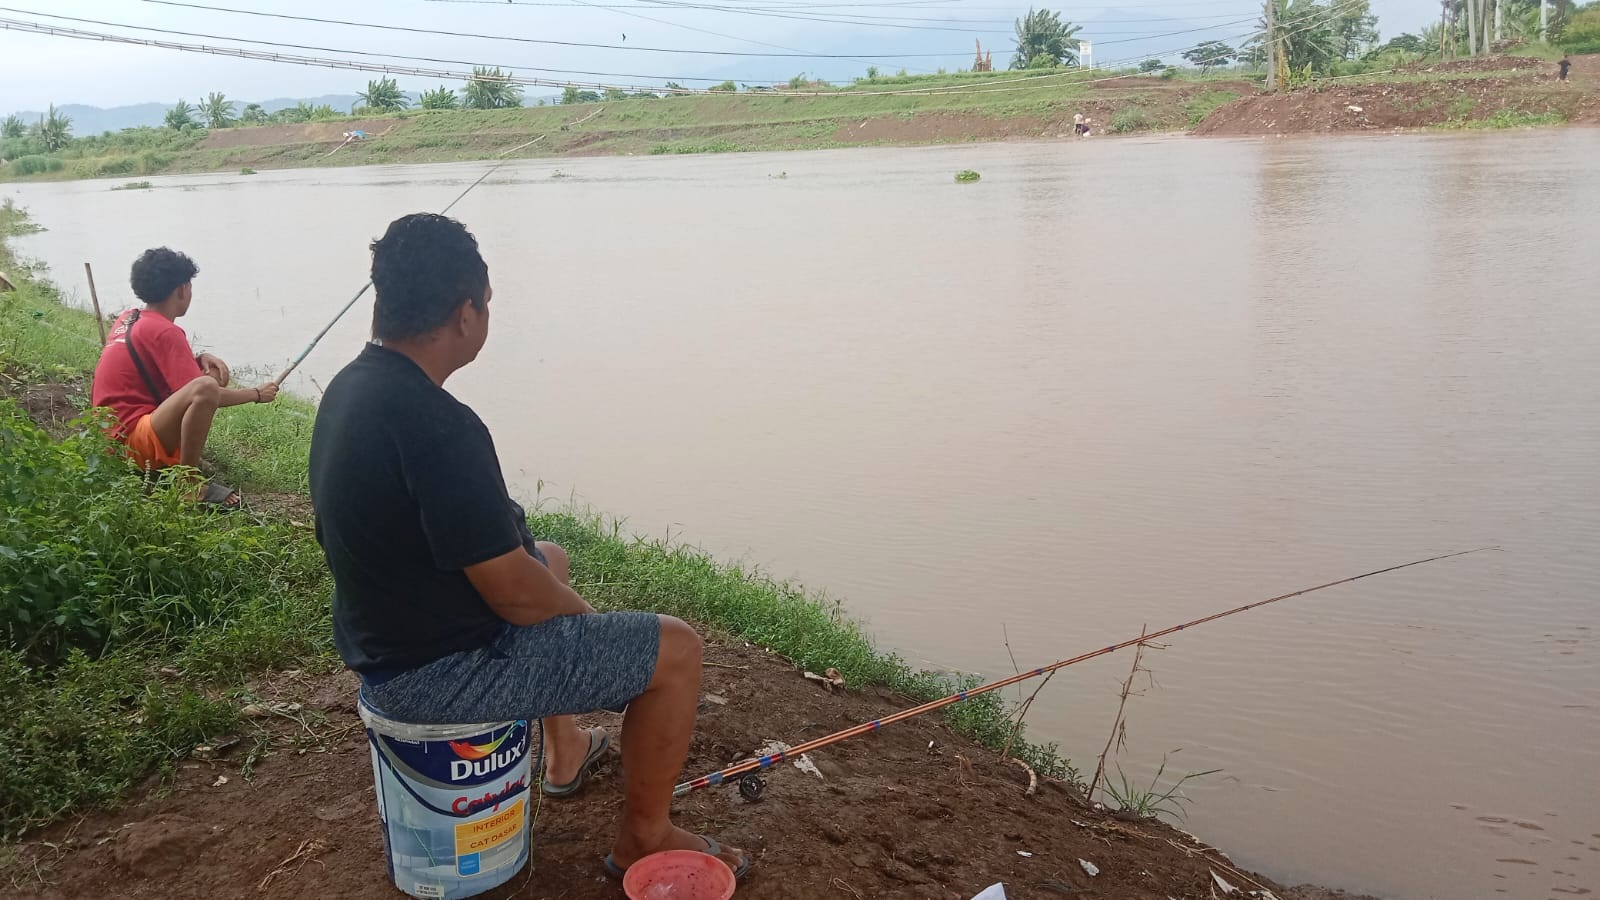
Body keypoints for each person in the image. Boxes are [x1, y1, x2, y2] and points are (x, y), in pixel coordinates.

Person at [307, 213, 749, 881]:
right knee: (675, 650)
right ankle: (646, 836)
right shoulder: (440, 426)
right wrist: (594, 630)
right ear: (466, 312)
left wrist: (558, 600)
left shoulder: (350, 389)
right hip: (433, 675)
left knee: (553, 556)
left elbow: (507, 561)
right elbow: (512, 591)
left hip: (385, 642)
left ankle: (565, 753)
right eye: (486, 304)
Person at [90, 247, 279, 505]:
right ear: (182, 290)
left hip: (108, 438)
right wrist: (256, 394)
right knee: (206, 388)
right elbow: (204, 391)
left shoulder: (129, 317)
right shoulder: (166, 332)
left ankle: (179, 460)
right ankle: (187, 481)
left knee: (208, 378)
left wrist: (198, 359)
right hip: (130, 443)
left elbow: (156, 369)